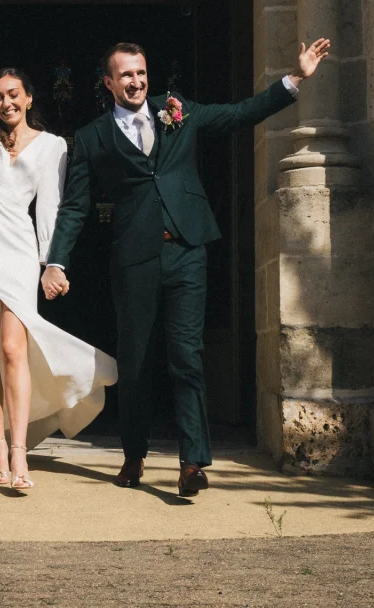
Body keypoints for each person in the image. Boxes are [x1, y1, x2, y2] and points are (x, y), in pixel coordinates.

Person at [42, 37, 330, 496]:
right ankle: (133, 455)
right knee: (135, 363)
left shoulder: (175, 108)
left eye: (141, 72)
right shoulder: (94, 136)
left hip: (187, 251)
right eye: (126, 75)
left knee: (186, 356)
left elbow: (235, 115)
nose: (136, 81)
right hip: (133, 259)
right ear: (109, 82)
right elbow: (75, 207)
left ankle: (193, 462)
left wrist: (293, 80)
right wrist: (56, 261)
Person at [0, 0, 117, 490]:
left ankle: (19, 454)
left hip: (16, 247)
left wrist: (52, 264)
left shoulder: (53, 147)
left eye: (13, 95)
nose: (4, 102)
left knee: (15, 349)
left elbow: (53, 210)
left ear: (29, 98)